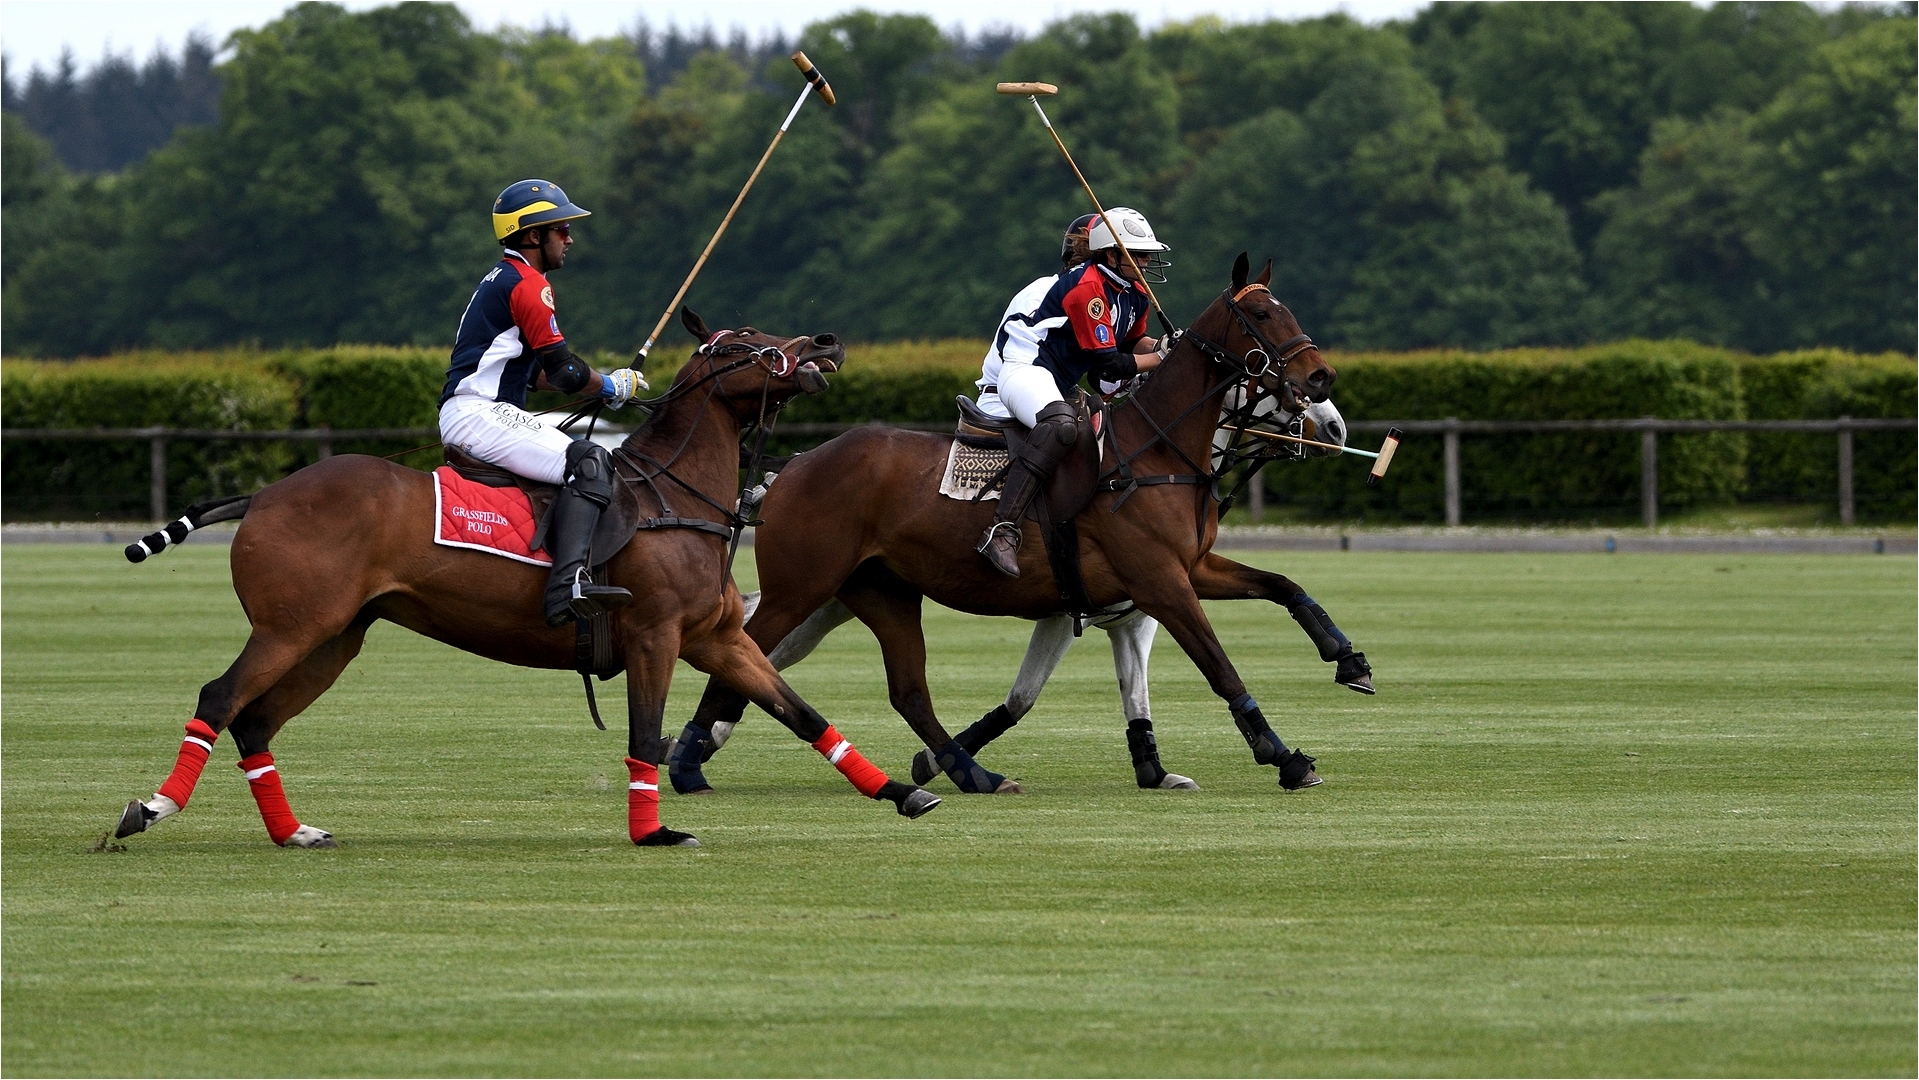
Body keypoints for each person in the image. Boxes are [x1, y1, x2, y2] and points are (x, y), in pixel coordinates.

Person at [439, 179, 649, 626]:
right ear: (533, 235)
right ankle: (567, 587)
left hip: (479, 410)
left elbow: (536, 374)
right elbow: (566, 371)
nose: (569, 239)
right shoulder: (528, 285)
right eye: (562, 229)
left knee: (586, 456)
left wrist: (602, 385)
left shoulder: (503, 278)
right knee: (590, 461)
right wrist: (610, 386)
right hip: (479, 412)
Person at [973, 208, 1172, 577]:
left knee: (1106, 430)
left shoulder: (1132, 294)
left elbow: (1132, 344)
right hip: (1026, 371)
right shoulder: (1085, 287)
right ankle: (1001, 529)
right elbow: (1109, 364)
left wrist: (1170, 346)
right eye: (1138, 254)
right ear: (1111, 254)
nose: (1145, 261)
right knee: (1061, 426)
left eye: (1146, 254)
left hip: (1058, 383)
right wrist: (1161, 359)